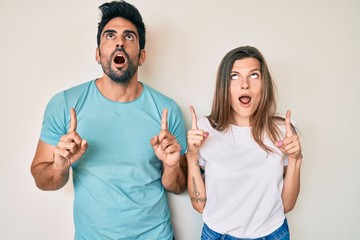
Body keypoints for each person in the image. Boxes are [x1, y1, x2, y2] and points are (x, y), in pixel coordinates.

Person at [30, 1, 187, 239]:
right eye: (110, 35)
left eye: (129, 37)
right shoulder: (64, 104)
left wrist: (171, 165)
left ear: (142, 55)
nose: (120, 42)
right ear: (97, 53)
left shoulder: (167, 110)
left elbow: (178, 186)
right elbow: (42, 178)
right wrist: (59, 167)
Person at [186, 46, 303, 240]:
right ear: (224, 85)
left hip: (273, 234)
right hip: (218, 235)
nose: (245, 85)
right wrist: (191, 155)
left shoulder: (283, 129)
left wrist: (295, 158)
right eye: (234, 76)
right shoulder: (205, 129)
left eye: (254, 75)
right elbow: (199, 205)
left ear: (264, 84)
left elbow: (288, 205)